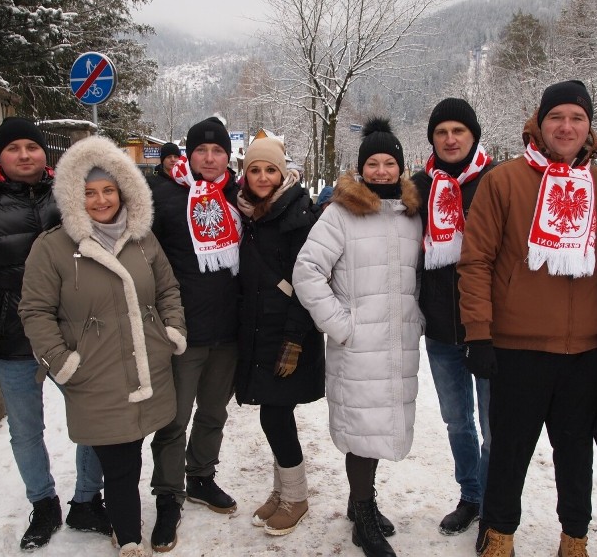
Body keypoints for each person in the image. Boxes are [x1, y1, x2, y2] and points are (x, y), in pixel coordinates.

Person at [457, 80, 597, 557]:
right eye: (556, 117)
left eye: (577, 118)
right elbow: (476, 261)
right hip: (517, 347)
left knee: (575, 458)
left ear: (589, 128)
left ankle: (575, 538)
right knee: (509, 453)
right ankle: (499, 535)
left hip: (584, 350)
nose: (566, 126)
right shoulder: (505, 180)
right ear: (539, 123)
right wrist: (479, 334)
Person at [0, 118, 110, 551]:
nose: (24, 155)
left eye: (31, 147)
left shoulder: (72, 198)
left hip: (74, 338)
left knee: (93, 419)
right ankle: (43, 503)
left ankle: (88, 500)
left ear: (44, 152)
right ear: (0, 156)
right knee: (25, 430)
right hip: (13, 341)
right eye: (13, 147)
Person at [19, 136, 187, 557]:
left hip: (150, 362)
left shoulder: (142, 238)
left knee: (157, 441)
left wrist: (172, 331)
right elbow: (35, 312)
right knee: (119, 462)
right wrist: (63, 363)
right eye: (89, 193)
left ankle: (163, 508)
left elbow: (167, 288)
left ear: (124, 190)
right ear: (74, 196)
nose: (100, 200)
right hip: (98, 374)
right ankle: (128, 538)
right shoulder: (53, 246)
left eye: (108, 190)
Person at [293, 118, 423, 557]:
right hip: (358, 344)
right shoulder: (340, 213)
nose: (382, 171)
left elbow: (420, 274)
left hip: (398, 343)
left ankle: (358, 502)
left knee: (382, 427)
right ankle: (363, 517)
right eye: (374, 163)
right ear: (361, 168)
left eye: (390, 163)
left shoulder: (410, 214)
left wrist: (417, 317)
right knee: (362, 432)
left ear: (401, 168)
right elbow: (307, 271)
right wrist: (339, 322)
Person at [148, 116, 243, 552]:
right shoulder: (163, 197)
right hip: (182, 331)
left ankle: (201, 476)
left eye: (217, 151)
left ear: (228, 155)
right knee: (173, 418)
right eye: (201, 150)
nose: (209, 157)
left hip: (228, 330)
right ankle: (169, 495)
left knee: (213, 413)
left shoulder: (240, 197)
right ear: (188, 154)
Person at [411, 97, 494, 536]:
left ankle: (493, 505)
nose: (449, 139)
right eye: (441, 132)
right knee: (457, 420)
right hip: (442, 329)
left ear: (472, 135)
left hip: (491, 330)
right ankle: (471, 495)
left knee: (494, 426)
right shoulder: (419, 187)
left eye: (457, 131)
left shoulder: (496, 181)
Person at [235, 137, 325, 536]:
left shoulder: (297, 215)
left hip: (290, 332)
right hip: (259, 328)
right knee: (274, 412)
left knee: (275, 414)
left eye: (270, 170)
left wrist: (294, 338)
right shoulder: (249, 212)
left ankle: (297, 497)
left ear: (283, 173)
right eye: (255, 170)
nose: (262, 177)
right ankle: (281, 490)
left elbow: (307, 283)